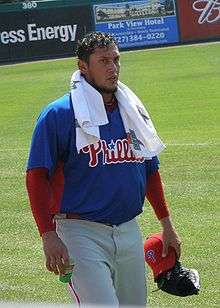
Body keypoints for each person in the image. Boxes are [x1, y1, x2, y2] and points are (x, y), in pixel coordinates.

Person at [26, 31, 181, 307]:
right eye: (103, 61)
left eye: (116, 59)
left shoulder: (131, 110)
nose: (113, 68)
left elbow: (149, 169)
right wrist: (48, 235)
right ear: (82, 67)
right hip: (79, 232)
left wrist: (166, 224)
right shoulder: (59, 114)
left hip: (128, 228)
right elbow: (37, 177)